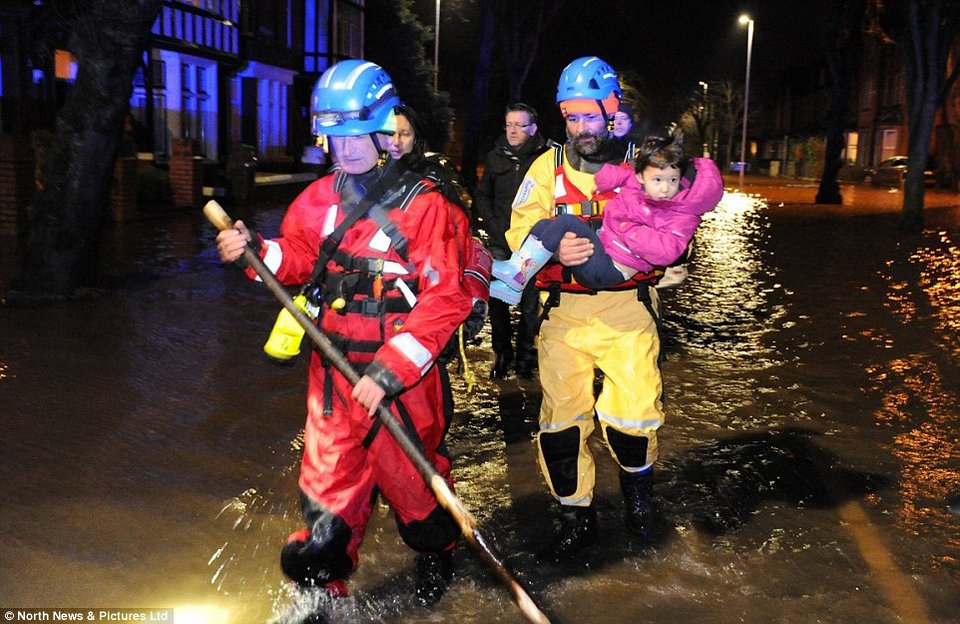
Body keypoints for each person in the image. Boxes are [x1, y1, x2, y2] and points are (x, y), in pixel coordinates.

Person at [215, 60, 472, 607]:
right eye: (333, 136)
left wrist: (390, 371)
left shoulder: (427, 206)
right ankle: (322, 593)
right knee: (327, 492)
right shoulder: (316, 200)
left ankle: (435, 551)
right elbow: (299, 260)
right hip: (333, 376)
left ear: (384, 129)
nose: (345, 148)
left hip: (401, 384)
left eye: (356, 134)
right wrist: (256, 252)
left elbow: (446, 297)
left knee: (413, 489)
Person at [505, 56, 674, 561]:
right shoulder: (545, 169)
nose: (582, 127)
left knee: (635, 418)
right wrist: (551, 248)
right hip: (564, 315)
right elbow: (517, 235)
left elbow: (679, 228)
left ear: (611, 111)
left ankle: (638, 501)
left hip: (629, 310)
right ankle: (576, 517)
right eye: (572, 118)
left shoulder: (646, 167)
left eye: (591, 116)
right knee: (560, 424)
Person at [490, 130, 722, 301]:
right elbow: (620, 176)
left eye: (672, 181)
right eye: (658, 180)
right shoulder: (640, 177)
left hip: (614, 276)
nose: (664, 188)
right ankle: (515, 283)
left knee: (567, 221)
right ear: (642, 176)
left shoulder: (679, 210)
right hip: (566, 298)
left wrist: (625, 229)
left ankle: (516, 276)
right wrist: (556, 254)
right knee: (542, 225)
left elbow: (671, 250)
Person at [474, 103, 552, 379]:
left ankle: (525, 359)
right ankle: (502, 354)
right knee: (497, 299)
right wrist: (495, 226)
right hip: (500, 240)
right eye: (509, 124)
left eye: (519, 125)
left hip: (534, 245)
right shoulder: (496, 157)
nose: (513, 130)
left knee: (531, 303)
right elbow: (482, 196)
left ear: (533, 128)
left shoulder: (547, 158)